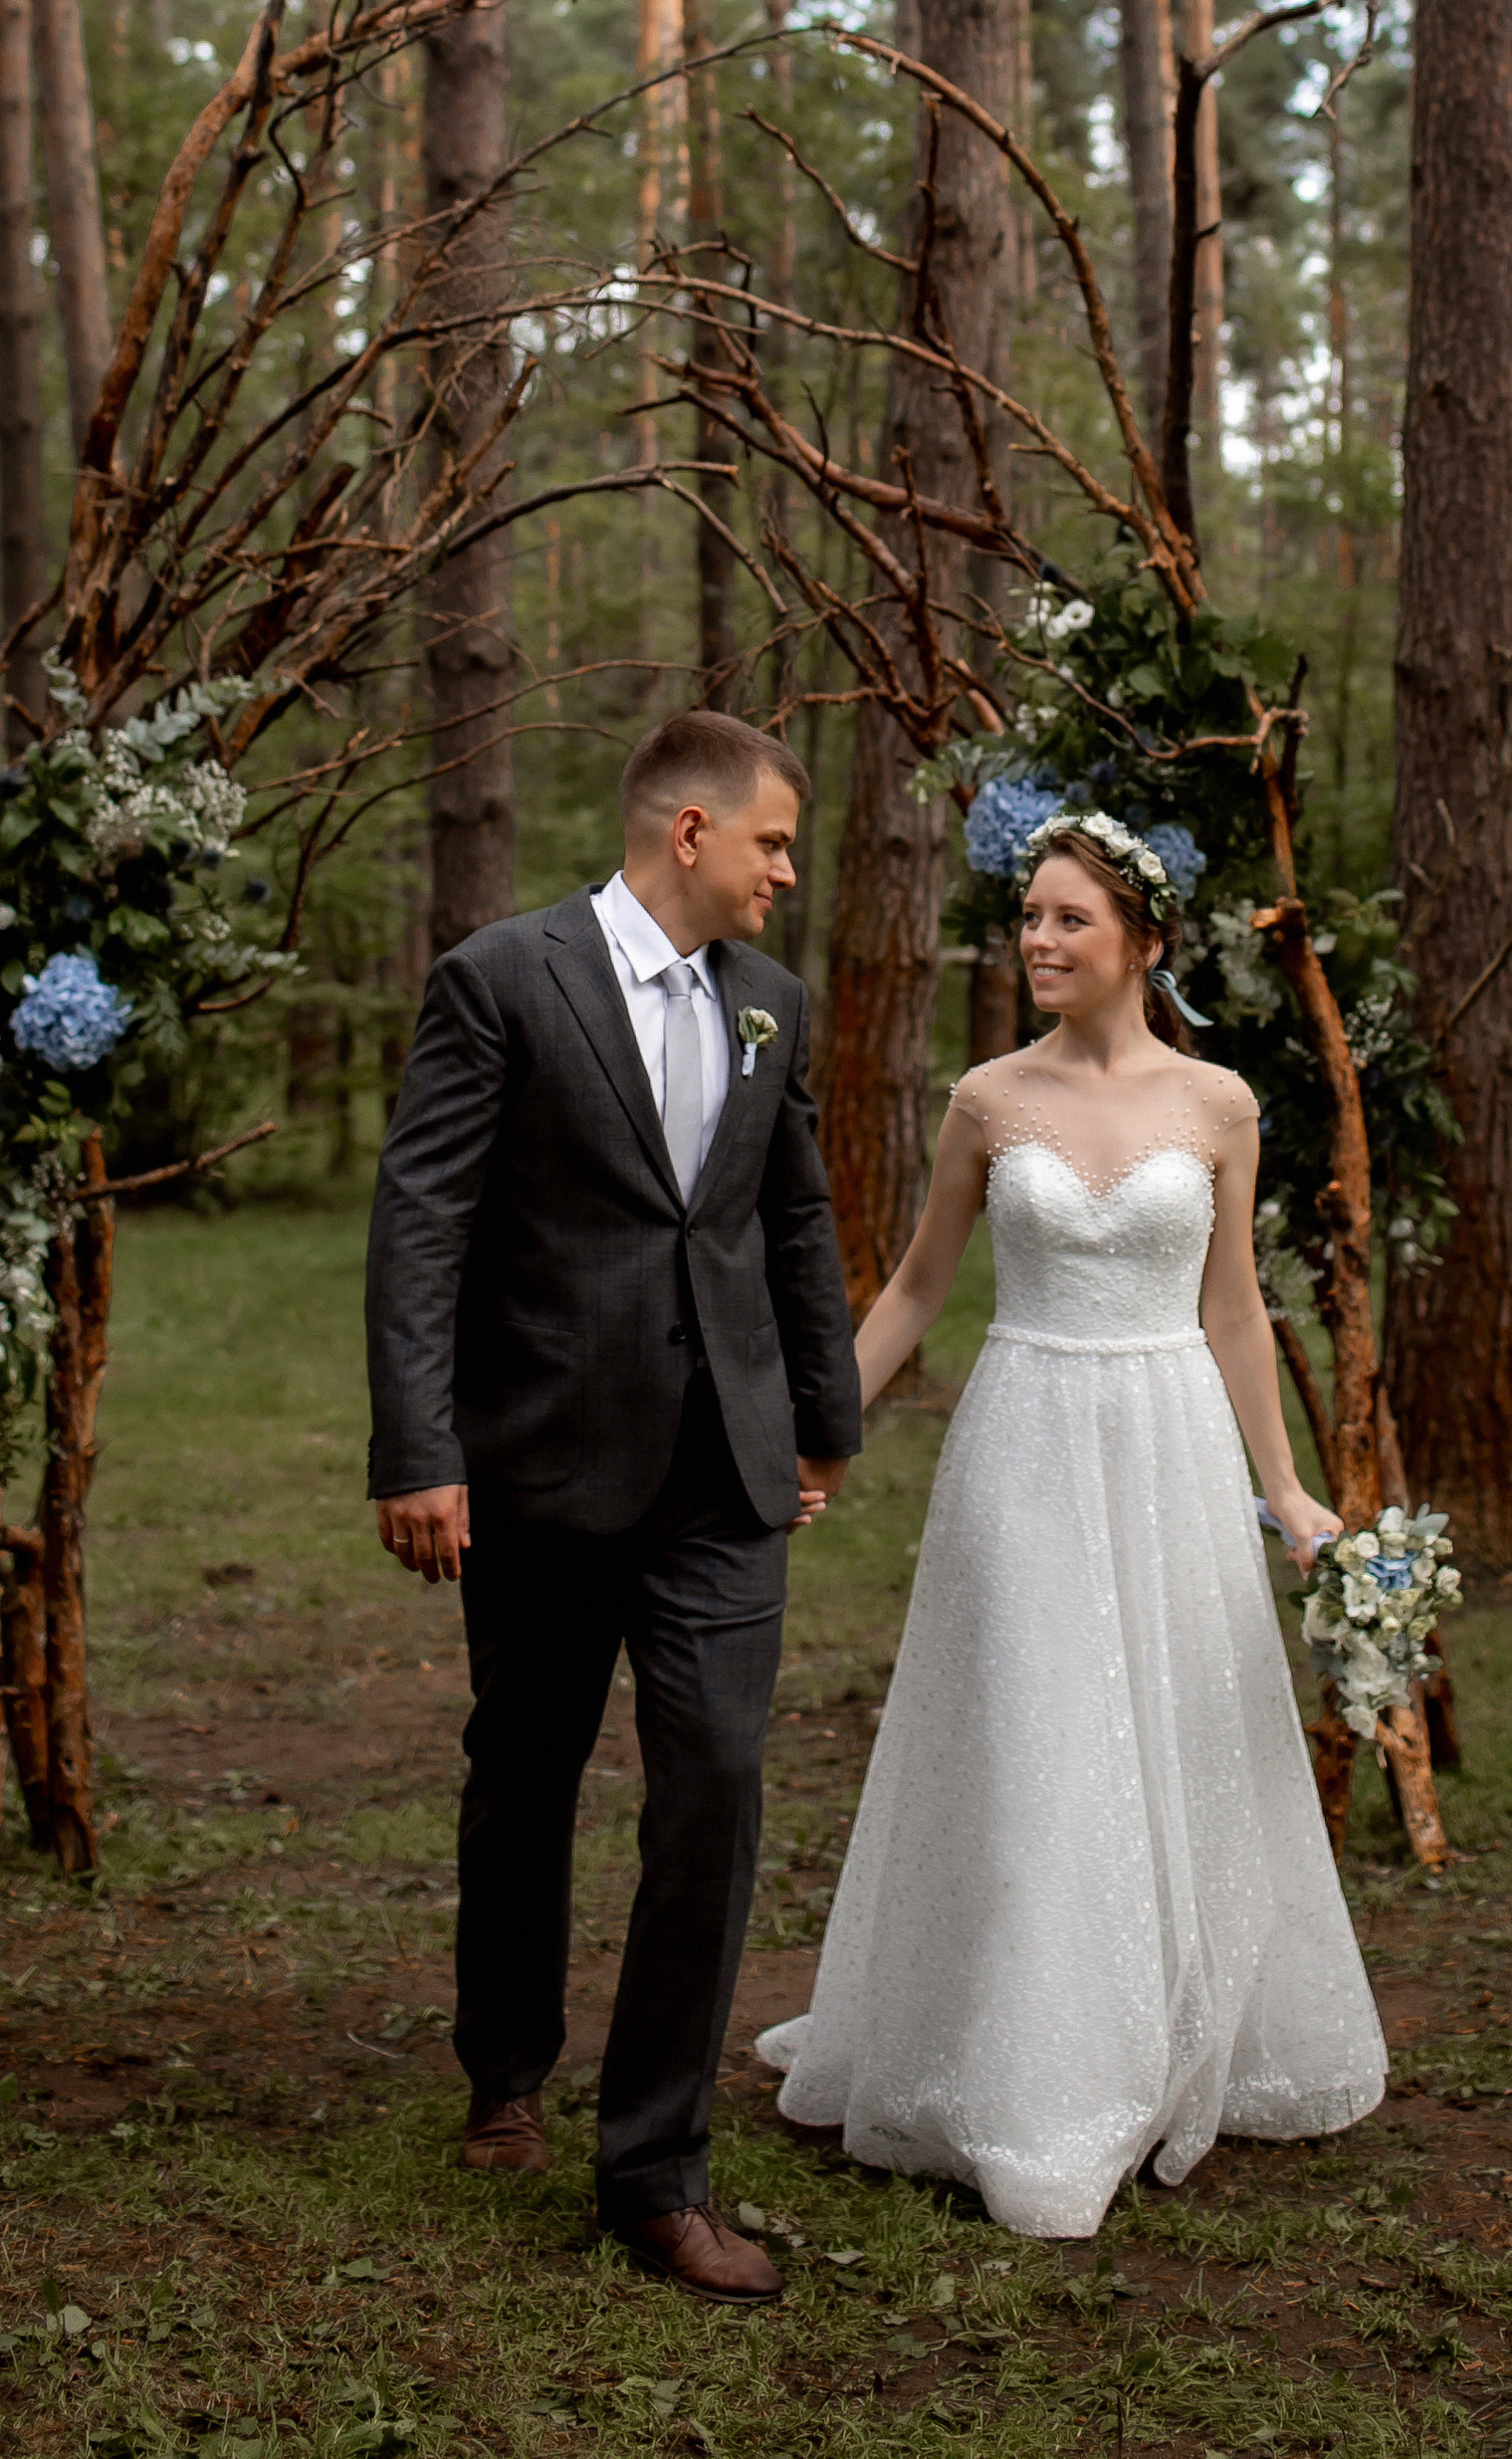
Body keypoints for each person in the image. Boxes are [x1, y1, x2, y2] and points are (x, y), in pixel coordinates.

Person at [757, 806, 1388, 2238]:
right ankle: (1026, 2074)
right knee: (1037, 1733)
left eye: (1067, 921)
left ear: (1143, 944)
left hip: (1166, 1440)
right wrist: (818, 1436)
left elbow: (1233, 1305)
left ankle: (1162, 2032)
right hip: (1027, 1434)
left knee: (1165, 1731)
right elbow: (916, 1289)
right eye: (1029, 917)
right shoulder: (988, 1098)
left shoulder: (1220, 1105)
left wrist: (1282, 1489)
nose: (1037, 940)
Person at [365, 709, 860, 2306]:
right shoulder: (503, 978)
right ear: (692, 833)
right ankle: (504, 2069)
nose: (792, 869)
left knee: (712, 1786)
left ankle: (655, 2170)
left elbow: (792, 1220)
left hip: (725, 1472)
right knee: (525, 1769)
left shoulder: (775, 1005)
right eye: (776, 839)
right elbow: (422, 1223)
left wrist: (823, 1419)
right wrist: (417, 1450)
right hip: (542, 1464)